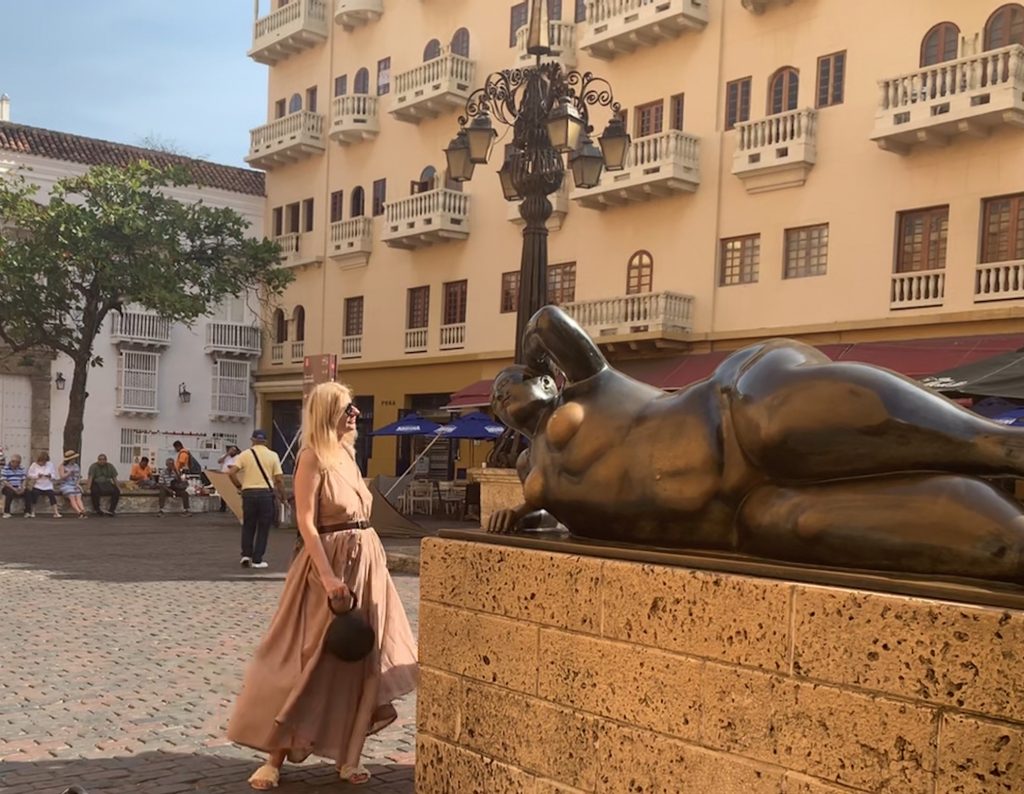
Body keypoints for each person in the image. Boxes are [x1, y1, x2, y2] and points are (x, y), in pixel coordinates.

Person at [489, 306, 1024, 585]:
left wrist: (536, 349)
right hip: (738, 518)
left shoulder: (588, 383)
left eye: (510, 380)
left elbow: (548, 320)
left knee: (778, 424)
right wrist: (521, 518)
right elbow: (572, 516)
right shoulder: (527, 465)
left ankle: (1003, 446)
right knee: (808, 525)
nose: (501, 393)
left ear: (544, 380)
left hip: (728, 414)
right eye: (495, 397)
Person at [227, 382, 417, 790]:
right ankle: (275, 757)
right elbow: (307, 523)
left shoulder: (349, 455)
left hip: (367, 563)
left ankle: (350, 757)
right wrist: (328, 576)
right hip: (328, 565)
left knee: (365, 658)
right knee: (311, 658)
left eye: (355, 408)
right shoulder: (313, 457)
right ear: (329, 411)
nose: (356, 414)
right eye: (348, 407)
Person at [228, 430, 285, 569]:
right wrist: (282, 496)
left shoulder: (245, 455)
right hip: (265, 494)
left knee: (248, 525)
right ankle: (257, 559)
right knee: (263, 527)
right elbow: (279, 479)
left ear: (252, 440)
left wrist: (239, 486)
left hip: (248, 493)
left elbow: (231, 472)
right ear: (265, 441)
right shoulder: (273, 455)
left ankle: (246, 555)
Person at [26, 452, 60, 519]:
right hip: (38, 485)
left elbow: (54, 475)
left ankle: (56, 512)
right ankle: (33, 511)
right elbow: (29, 475)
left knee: (52, 495)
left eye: (44, 462)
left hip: (48, 485)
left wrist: (50, 476)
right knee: (34, 495)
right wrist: (37, 476)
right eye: (41, 462)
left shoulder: (50, 465)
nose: (42, 463)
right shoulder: (34, 465)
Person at [57, 451, 87, 519]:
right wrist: (69, 473)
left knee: (78, 497)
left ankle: (83, 510)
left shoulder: (76, 466)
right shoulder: (62, 466)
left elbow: (79, 476)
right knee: (72, 497)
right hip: (66, 484)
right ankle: (79, 512)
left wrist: (77, 484)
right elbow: (62, 476)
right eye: (73, 458)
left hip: (74, 484)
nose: (74, 460)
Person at [218, 445, 241, 512]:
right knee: (223, 492)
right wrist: (227, 454)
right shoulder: (225, 456)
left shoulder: (238, 457)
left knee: (233, 491)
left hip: (233, 476)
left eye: (233, 450)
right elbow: (219, 461)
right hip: (224, 475)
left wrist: (233, 467)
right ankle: (223, 507)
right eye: (231, 450)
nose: (232, 451)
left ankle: (234, 507)